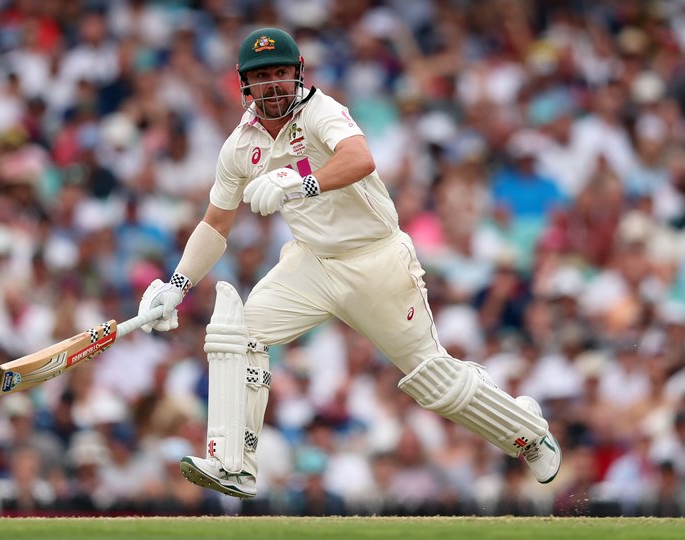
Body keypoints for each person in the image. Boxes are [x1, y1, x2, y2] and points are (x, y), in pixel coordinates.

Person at [137, 27, 562, 499]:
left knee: (431, 379)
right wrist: (177, 285)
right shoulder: (239, 146)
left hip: (374, 259)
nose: (274, 84)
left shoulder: (322, 111)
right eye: (263, 77)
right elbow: (216, 223)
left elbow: (360, 159)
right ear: (245, 85)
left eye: (281, 72)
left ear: (297, 74)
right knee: (240, 334)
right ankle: (233, 463)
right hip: (312, 262)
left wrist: (296, 183)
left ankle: (527, 432)